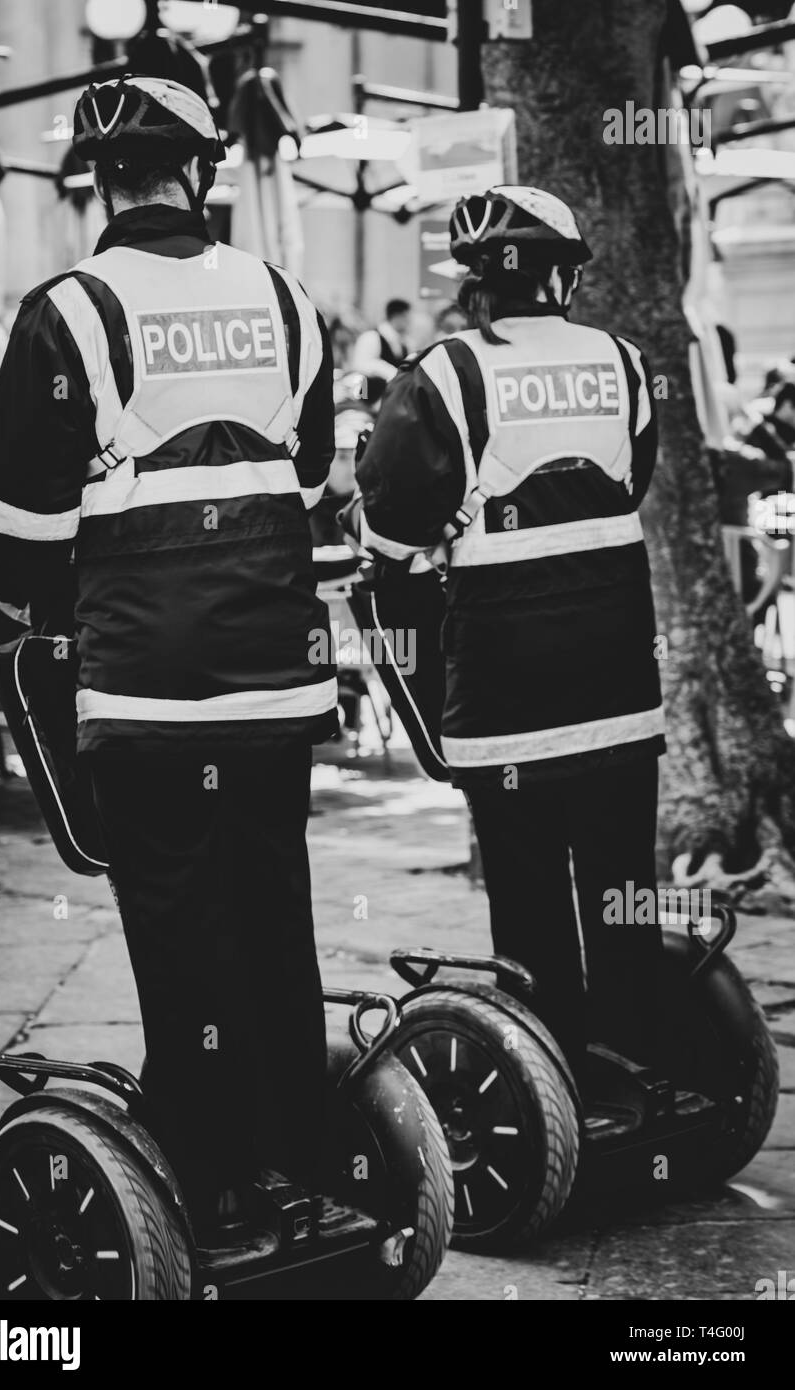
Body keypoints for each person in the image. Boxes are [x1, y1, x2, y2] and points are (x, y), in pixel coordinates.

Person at [0, 75, 338, 1250]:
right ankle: (299, 1158)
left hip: (146, 689)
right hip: (278, 680)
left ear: (99, 181)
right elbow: (314, 469)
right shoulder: (286, 300)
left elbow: (22, 525)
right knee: (275, 913)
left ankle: (214, 1180)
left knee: (181, 927)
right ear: (203, 169)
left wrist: (42, 600)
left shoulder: (67, 310)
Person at [344, 186, 665, 1081]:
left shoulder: (445, 374)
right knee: (622, 878)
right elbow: (631, 482)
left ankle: (553, 1068)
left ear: (474, 283)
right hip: (617, 676)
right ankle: (638, 1051)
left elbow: (393, 524)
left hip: (506, 684)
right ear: (563, 275)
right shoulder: (625, 363)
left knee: (526, 887)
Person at [352, 297, 412, 390]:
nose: (409, 322)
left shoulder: (402, 343)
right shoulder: (371, 337)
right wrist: (393, 373)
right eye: (406, 317)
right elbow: (361, 367)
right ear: (397, 316)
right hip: (369, 397)